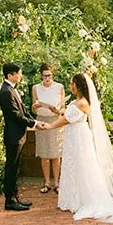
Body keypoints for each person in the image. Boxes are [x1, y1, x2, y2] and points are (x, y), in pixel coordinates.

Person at [37, 71, 113, 223]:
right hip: (73, 136)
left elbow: (67, 119)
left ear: (78, 86)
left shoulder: (82, 102)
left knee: (82, 165)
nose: (70, 86)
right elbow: (66, 114)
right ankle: (72, 199)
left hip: (79, 137)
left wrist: (50, 125)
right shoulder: (78, 100)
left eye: (72, 83)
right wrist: (57, 111)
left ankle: (83, 199)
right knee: (72, 165)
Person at [0, 62, 35, 212]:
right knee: (11, 168)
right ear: (10, 75)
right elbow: (15, 115)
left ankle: (15, 196)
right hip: (13, 135)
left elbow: (23, 110)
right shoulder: (6, 91)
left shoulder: (12, 90)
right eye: (18, 73)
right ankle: (10, 200)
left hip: (18, 134)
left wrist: (33, 120)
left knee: (15, 167)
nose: (20, 76)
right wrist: (33, 123)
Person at [32, 63, 65, 194]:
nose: (47, 78)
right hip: (42, 120)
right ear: (41, 75)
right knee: (44, 153)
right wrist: (36, 106)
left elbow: (63, 108)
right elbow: (33, 108)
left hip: (56, 120)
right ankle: (46, 182)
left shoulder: (59, 87)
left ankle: (57, 183)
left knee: (56, 153)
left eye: (49, 75)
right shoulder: (36, 88)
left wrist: (57, 111)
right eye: (45, 75)